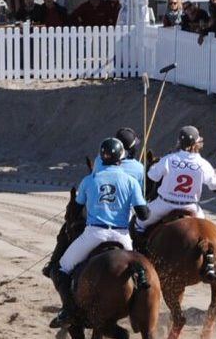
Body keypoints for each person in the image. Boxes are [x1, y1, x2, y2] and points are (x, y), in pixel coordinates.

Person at [49, 137, 149, 328]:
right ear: (122, 156)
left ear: (101, 157)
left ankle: (69, 311)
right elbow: (143, 215)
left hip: (94, 234)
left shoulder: (89, 180)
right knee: (142, 270)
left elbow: (75, 211)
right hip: (122, 237)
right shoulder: (130, 181)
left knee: (60, 269)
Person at [134, 126, 216, 240]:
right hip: (191, 207)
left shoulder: (168, 159)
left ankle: (139, 251)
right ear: (197, 142)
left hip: (164, 205)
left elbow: (153, 176)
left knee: (139, 223)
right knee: (205, 234)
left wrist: (156, 165)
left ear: (179, 142)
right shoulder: (203, 164)